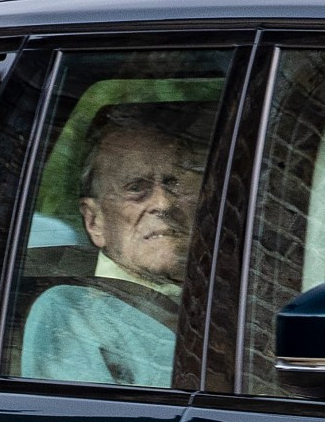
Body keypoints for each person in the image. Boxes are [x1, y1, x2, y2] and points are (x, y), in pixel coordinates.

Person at [20, 104, 208, 386]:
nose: (163, 203)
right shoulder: (71, 313)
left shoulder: (230, 292)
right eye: (136, 188)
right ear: (95, 221)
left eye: (173, 184)